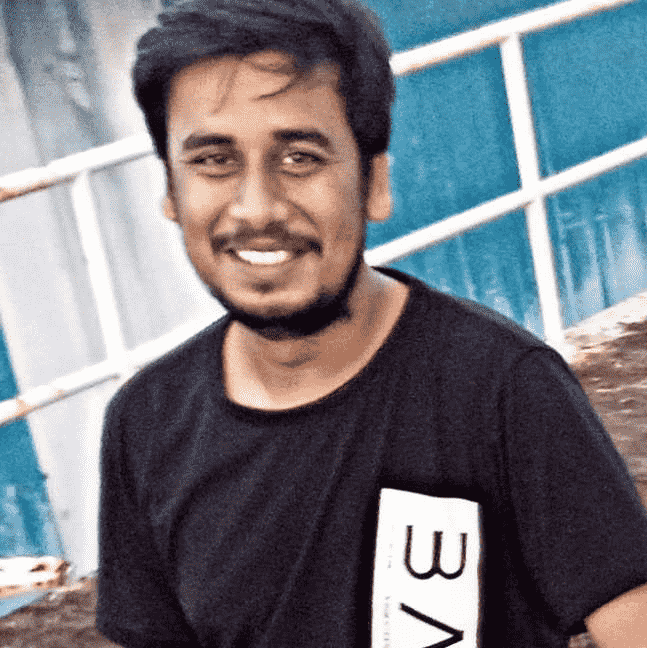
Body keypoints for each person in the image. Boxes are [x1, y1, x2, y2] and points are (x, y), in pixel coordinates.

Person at [96, 1, 647, 646]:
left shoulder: (500, 389)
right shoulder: (146, 423)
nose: (256, 209)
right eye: (214, 160)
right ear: (170, 190)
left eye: (300, 158)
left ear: (374, 181)